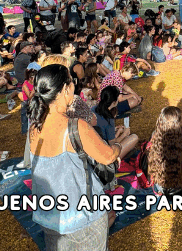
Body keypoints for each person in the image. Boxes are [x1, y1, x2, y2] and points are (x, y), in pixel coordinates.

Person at [29, 64, 121, 249]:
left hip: (49, 215)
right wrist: (117, 146)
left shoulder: (34, 127)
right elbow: (108, 156)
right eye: (72, 81)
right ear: (65, 89)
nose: (74, 85)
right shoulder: (75, 126)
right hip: (81, 217)